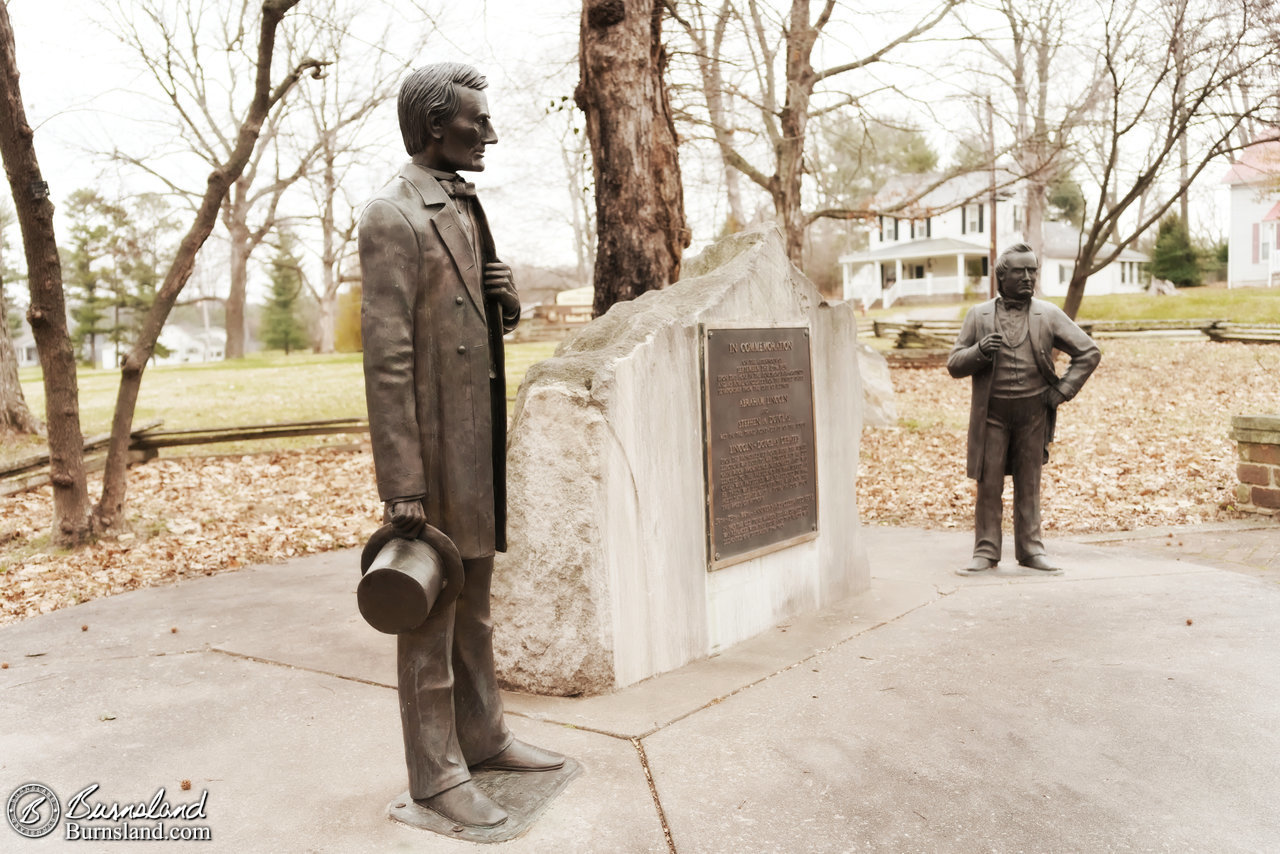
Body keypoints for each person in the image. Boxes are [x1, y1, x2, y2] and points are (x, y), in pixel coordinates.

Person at [359, 62, 563, 830]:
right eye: (478, 121)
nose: (492, 132)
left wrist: (502, 305)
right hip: (434, 455)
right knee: (431, 616)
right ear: (435, 125)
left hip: (476, 446)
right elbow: (388, 364)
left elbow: (463, 322)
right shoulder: (392, 214)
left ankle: (484, 737)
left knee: (475, 608)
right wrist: (401, 482)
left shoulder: (464, 204)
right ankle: (438, 777)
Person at [946, 243, 1100, 576]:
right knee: (989, 485)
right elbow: (954, 365)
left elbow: (1088, 352)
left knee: (1029, 484)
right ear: (1002, 276)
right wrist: (980, 350)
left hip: (1033, 414)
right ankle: (985, 551)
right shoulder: (978, 315)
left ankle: (1031, 549)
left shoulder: (1048, 314)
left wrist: (1061, 392)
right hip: (992, 416)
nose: (1029, 277)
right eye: (1021, 271)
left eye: (1033, 271)